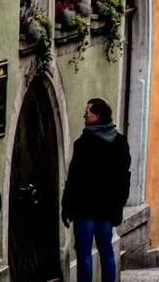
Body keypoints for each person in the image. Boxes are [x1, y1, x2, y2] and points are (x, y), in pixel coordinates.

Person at [61, 98, 131, 282]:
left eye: (88, 113)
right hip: (108, 209)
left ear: (97, 116)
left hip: (84, 209)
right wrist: (118, 207)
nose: (84, 116)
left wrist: (66, 205)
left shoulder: (83, 143)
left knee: (84, 253)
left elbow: (74, 179)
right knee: (106, 250)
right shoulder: (120, 143)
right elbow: (124, 178)